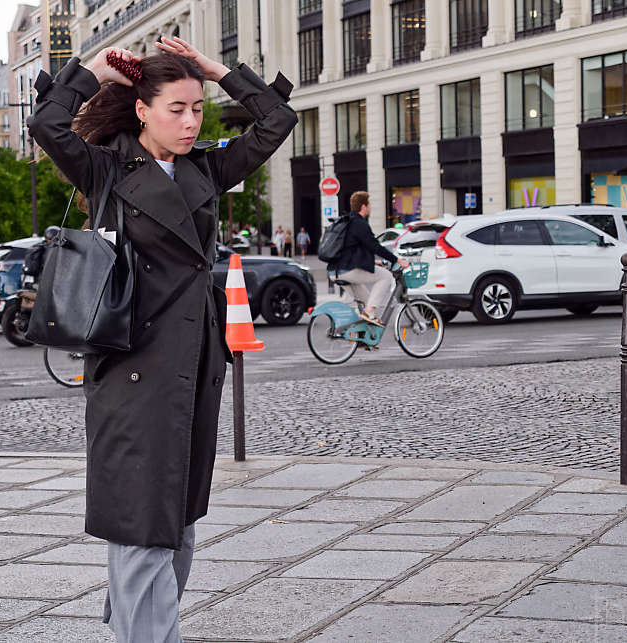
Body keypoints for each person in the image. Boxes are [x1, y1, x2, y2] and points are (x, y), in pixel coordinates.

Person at [27, 37, 296, 641]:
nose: (191, 121)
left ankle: (137, 623)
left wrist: (215, 71)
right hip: (132, 372)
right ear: (142, 109)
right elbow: (46, 121)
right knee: (142, 524)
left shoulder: (205, 168)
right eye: (176, 108)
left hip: (195, 368)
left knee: (176, 521)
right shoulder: (105, 169)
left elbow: (277, 120)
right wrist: (91, 72)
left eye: (197, 108)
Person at [331, 190, 409, 326]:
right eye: (369, 204)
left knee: (367, 301)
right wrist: (397, 260)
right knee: (385, 277)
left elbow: (351, 250)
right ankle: (369, 312)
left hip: (335, 271)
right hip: (347, 270)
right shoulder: (359, 224)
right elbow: (375, 246)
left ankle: (360, 335)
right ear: (363, 206)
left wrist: (374, 262)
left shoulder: (348, 222)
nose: (370, 207)